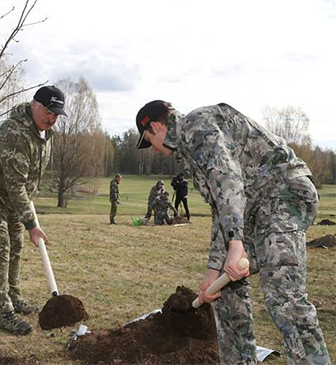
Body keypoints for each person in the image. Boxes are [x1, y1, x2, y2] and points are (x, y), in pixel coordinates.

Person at [135, 100, 330, 364]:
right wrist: (212, 273)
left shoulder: (197, 125)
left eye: (149, 140)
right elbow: (221, 207)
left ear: (156, 126)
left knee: (282, 294)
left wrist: (236, 245)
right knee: (224, 292)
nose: (154, 150)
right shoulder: (188, 149)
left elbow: (229, 181)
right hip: (252, 208)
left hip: (284, 192)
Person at [0, 85, 66, 335]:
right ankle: (3, 312)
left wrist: (27, 215)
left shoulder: (43, 133)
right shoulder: (15, 133)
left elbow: (27, 180)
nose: (51, 118)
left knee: (16, 245)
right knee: (0, 248)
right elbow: (15, 185)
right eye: (48, 111)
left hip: (14, 196)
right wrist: (33, 225)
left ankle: (14, 296)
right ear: (34, 104)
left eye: (56, 114)